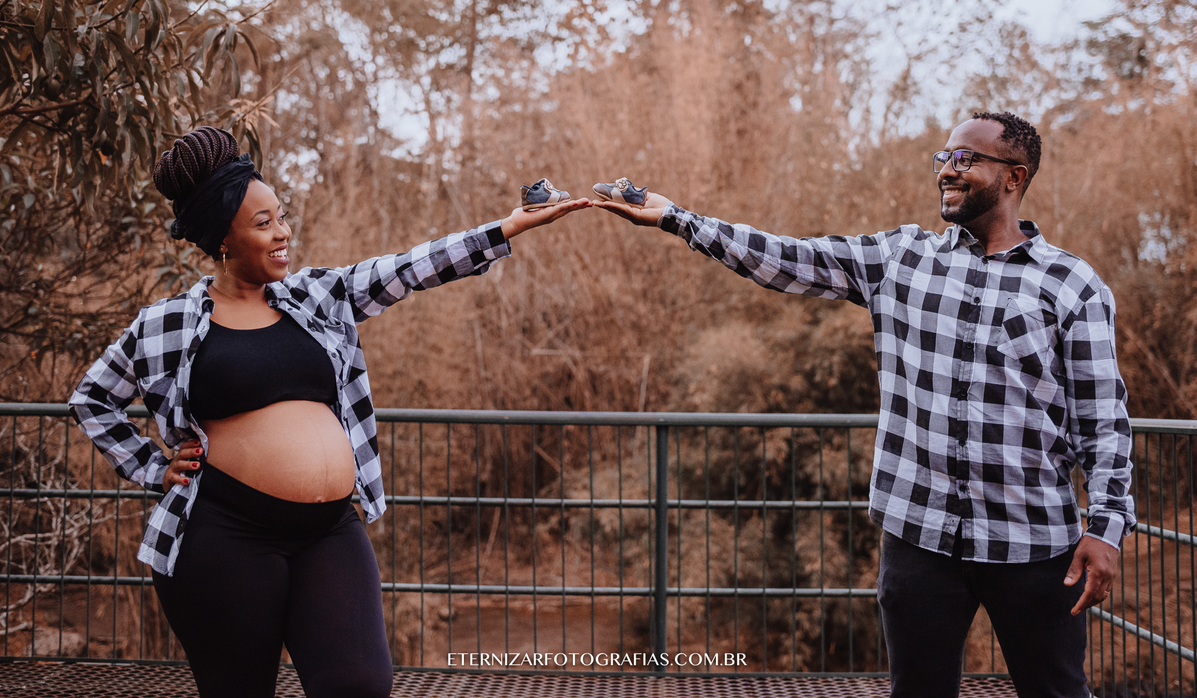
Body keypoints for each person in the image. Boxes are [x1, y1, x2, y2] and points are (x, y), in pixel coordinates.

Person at [598, 112, 1134, 698]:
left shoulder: (1072, 285)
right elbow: (786, 257)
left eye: (966, 159)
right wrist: (677, 218)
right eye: (944, 157)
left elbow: (1103, 422)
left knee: (1057, 691)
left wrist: (1106, 528)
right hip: (918, 538)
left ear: (1014, 176)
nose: (947, 170)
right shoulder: (901, 258)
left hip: (1033, 543)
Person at [69, 127, 589, 698]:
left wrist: (505, 228)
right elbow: (93, 398)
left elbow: (406, 269)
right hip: (223, 535)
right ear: (223, 239)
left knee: (360, 684)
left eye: (282, 216)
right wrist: (151, 467)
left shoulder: (315, 296)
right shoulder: (166, 323)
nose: (283, 232)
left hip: (330, 531)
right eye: (263, 223)